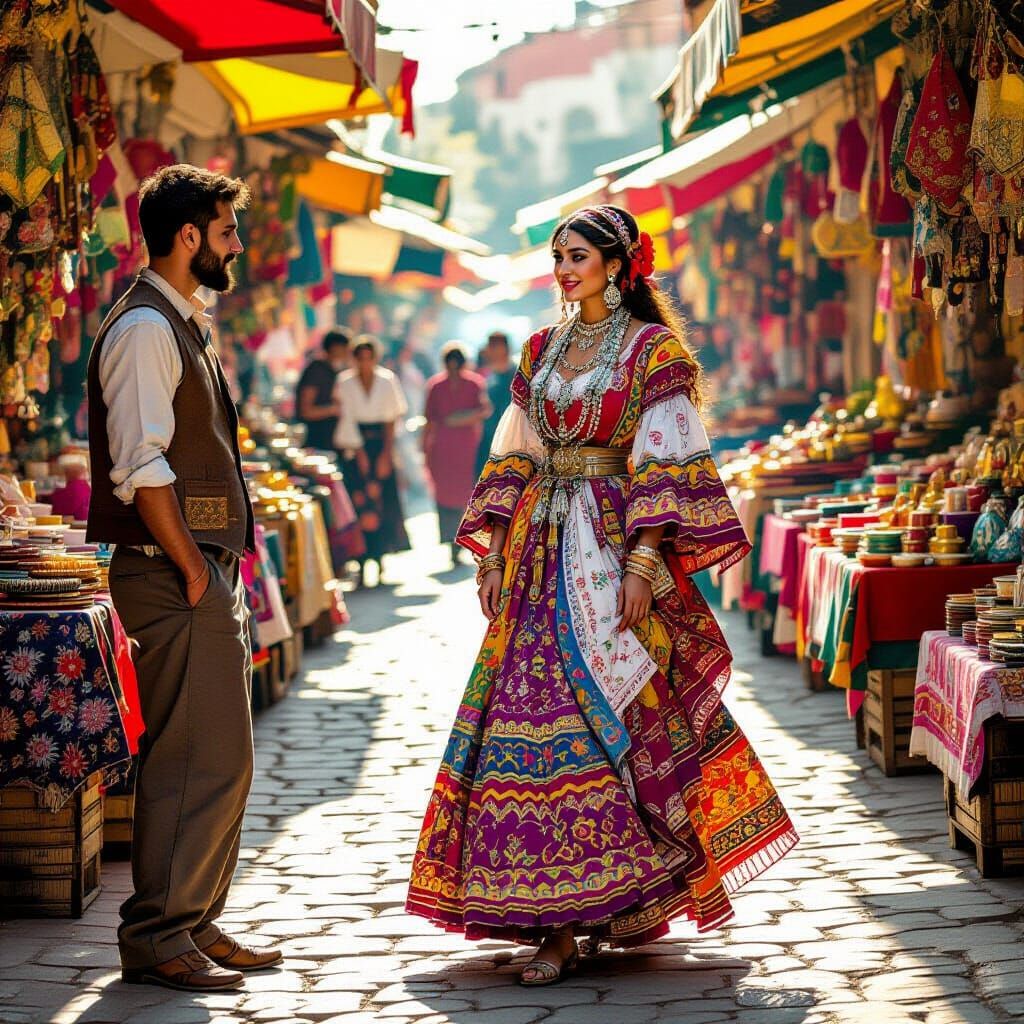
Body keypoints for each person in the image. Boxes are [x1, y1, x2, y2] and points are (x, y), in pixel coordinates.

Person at [407, 205, 798, 985]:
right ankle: (549, 916)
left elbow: (664, 457)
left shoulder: (652, 352)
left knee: (617, 713)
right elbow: (516, 447)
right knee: (526, 714)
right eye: (558, 256)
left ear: (617, 265)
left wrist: (644, 563)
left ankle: (604, 906)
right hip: (537, 555)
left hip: (611, 548)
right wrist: (489, 551)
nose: (564, 267)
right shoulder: (541, 349)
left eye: (577, 254)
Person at [86, 165, 281, 992]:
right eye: (227, 230)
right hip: (174, 576)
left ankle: (194, 920)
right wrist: (195, 572)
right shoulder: (144, 329)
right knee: (192, 758)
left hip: (195, 571)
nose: (238, 244)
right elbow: (143, 466)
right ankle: (160, 933)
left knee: (223, 757)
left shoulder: (179, 319)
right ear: (189, 236)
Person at [334, 335, 411, 586]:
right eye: (360, 357)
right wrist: (360, 456)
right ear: (353, 359)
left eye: (369, 357)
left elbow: (392, 420)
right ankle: (361, 560)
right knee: (358, 503)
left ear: (375, 358)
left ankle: (379, 560)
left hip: (381, 446)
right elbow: (346, 419)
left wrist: (386, 455)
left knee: (382, 504)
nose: (365, 362)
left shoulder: (387, 380)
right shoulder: (344, 383)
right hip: (355, 447)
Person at [422, 342, 490, 565]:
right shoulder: (436, 386)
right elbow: (429, 419)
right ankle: (450, 541)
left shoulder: (473, 383)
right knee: (444, 494)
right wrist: (424, 448)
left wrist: (462, 418)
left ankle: (469, 540)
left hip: (467, 448)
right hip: (442, 448)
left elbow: (484, 410)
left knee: (468, 494)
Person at [294, 328, 351, 451]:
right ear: (334, 348)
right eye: (345, 348)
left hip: (336, 441)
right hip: (318, 441)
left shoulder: (339, 371)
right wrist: (334, 410)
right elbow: (306, 411)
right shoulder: (317, 370)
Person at [474, 330, 516, 477]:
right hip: (488, 443)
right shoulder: (485, 376)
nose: (490, 351)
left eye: (494, 346)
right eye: (489, 346)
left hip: (512, 445)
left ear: (506, 349)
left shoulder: (519, 375)